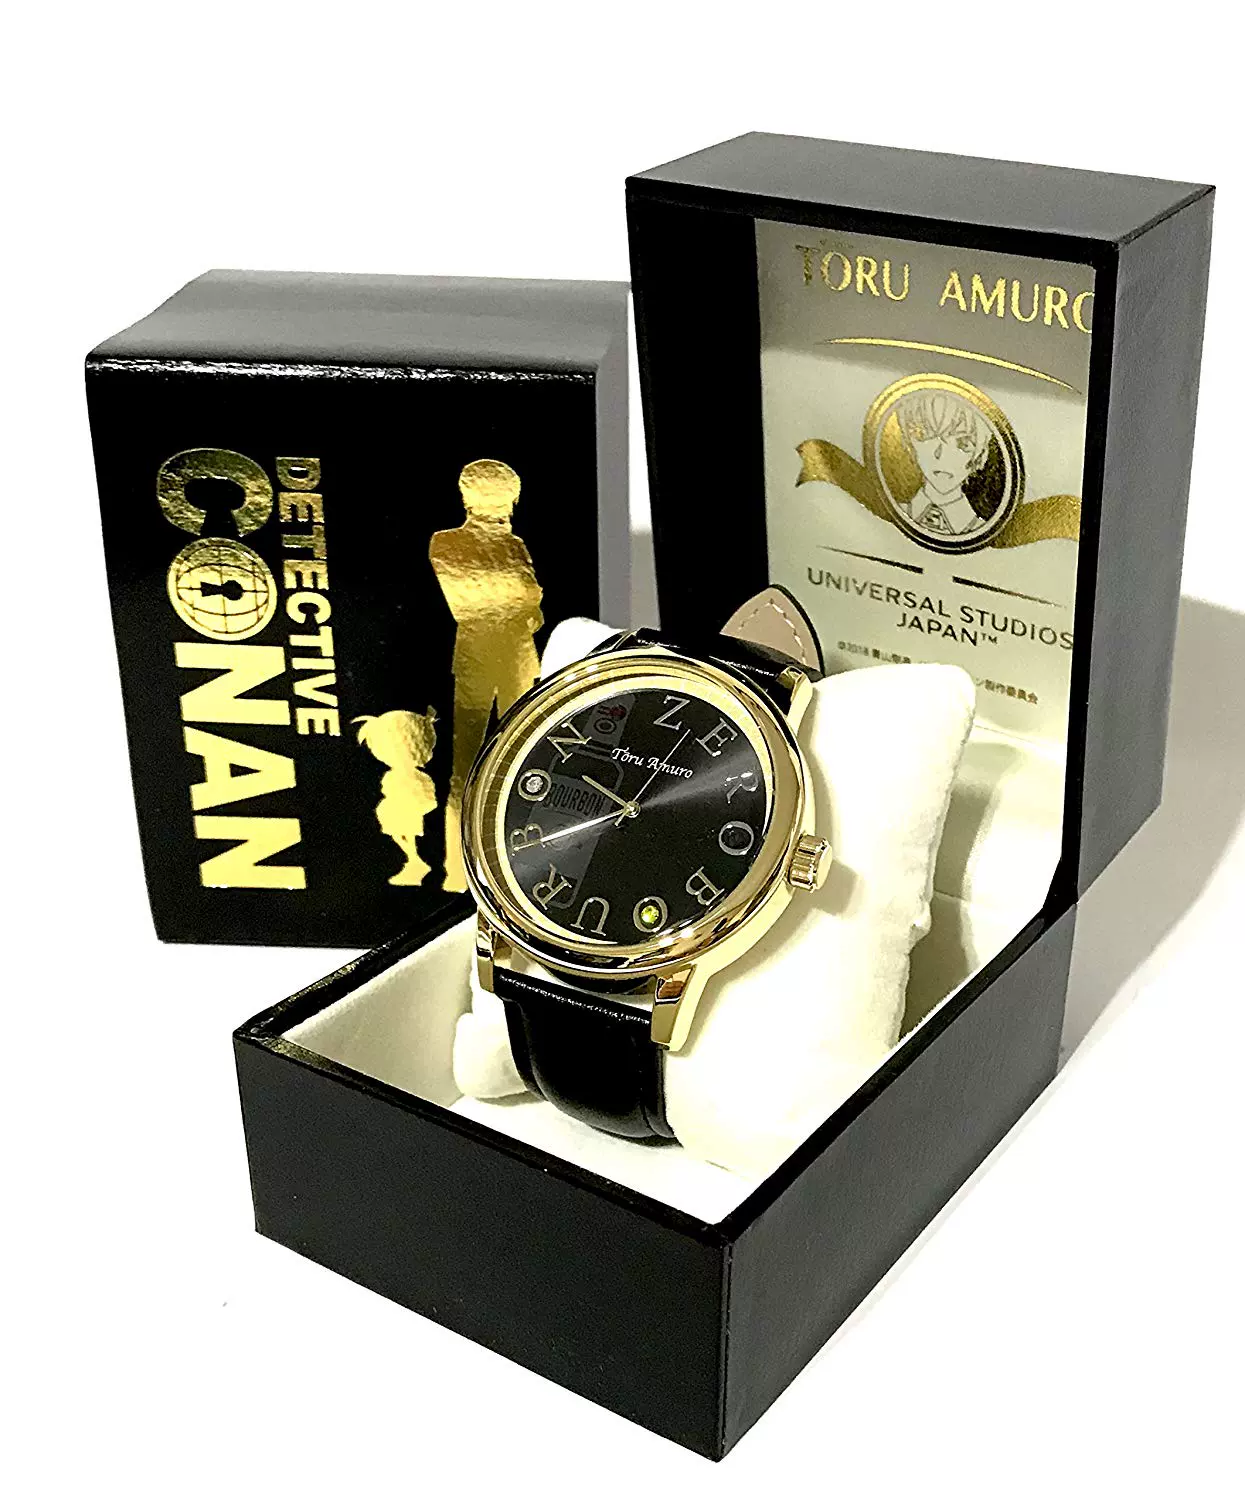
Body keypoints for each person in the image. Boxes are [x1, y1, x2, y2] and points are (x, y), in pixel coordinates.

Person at [429, 459, 544, 891]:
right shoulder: (447, 542)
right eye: (498, 498)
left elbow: (532, 606)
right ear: (470, 499)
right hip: (479, 657)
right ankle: (457, 872)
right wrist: (519, 597)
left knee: (528, 761)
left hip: (519, 656)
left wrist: (520, 599)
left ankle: (517, 870)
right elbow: (471, 602)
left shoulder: (514, 545)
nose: (505, 508)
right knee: (467, 768)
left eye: (507, 499)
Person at [894, 387, 995, 537]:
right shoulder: (892, 513)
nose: (941, 455)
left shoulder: (981, 529)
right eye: (924, 435)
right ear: (908, 442)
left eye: (963, 443)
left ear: (981, 454)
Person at [354, 708, 439, 886]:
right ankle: (414, 859)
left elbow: (423, 792)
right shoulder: (397, 774)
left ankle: (415, 860)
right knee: (401, 834)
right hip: (398, 810)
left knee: (406, 833)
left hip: (407, 810)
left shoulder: (409, 776)